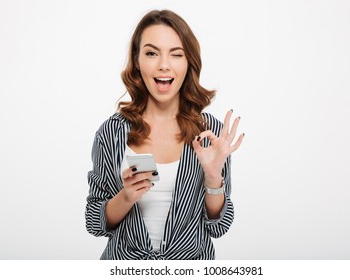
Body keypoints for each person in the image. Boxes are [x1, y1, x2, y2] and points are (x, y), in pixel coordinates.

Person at [85, 9, 244, 260]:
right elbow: (95, 222)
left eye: (176, 54)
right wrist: (126, 197)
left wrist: (213, 178)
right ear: (137, 61)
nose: (163, 65)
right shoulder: (111, 132)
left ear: (188, 62)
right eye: (151, 53)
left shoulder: (209, 133)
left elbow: (218, 227)